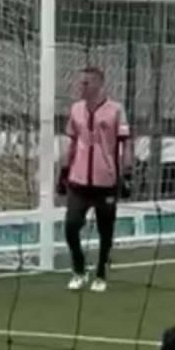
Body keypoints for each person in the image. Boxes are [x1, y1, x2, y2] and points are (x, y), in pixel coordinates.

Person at [58, 66, 132, 293]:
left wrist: (127, 174)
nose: (81, 86)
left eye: (86, 83)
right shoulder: (76, 109)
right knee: (71, 226)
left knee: (105, 230)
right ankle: (79, 269)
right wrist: (63, 171)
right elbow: (71, 142)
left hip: (105, 182)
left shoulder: (116, 110)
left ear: (99, 84)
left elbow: (125, 144)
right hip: (78, 181)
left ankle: (101, 273)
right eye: (80, 82)